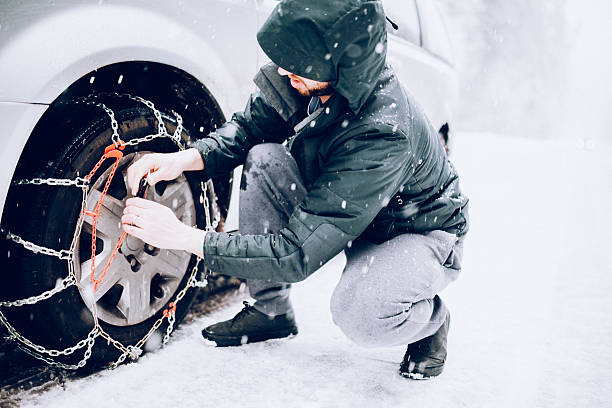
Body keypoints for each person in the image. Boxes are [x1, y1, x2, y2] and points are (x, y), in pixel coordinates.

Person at [122, 0, 469, 380]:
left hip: (415, 232)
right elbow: (249, 129)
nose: (285, 70)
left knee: (359, 314)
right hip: (355, 211)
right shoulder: (311, 77)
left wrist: (183, 237)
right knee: (265, 158)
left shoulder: (382, 131)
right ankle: (271, 311)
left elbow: (296, 252)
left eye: (299, 63)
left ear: (341, 64)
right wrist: (185, 158)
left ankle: (432, 322)